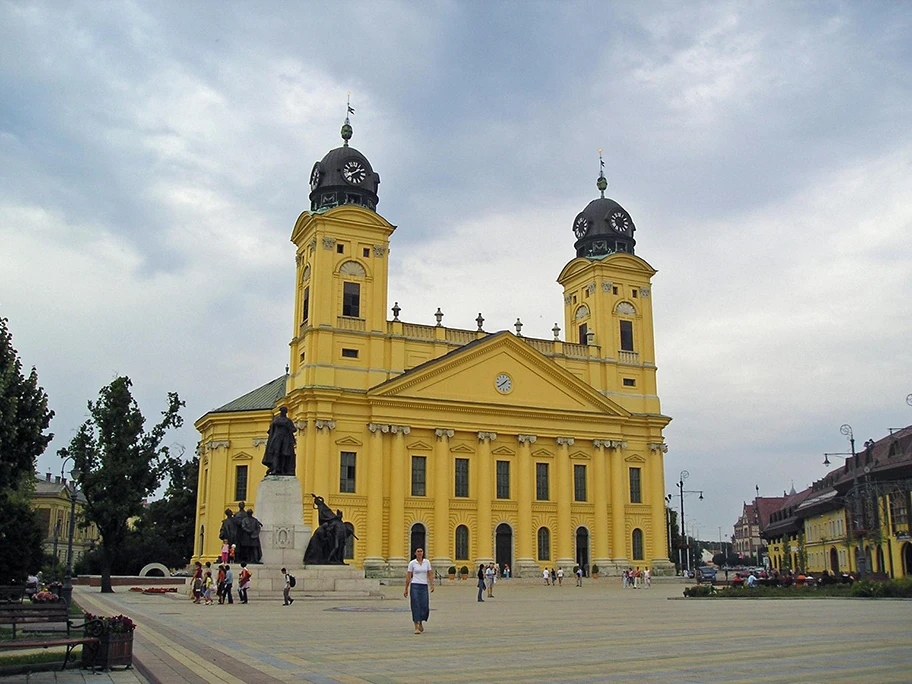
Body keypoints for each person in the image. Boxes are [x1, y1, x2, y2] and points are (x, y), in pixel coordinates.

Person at [404, 548, 433, 634]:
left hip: (424, 586)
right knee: (415, 605)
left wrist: (432, 584)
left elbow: (430, 574)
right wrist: (406, 588)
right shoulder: (412, 563)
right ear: (415, 553)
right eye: (418, 551)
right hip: (415, 585)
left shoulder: (427, 562)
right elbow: (408, 576)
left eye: (421, 551)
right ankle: (416, 625)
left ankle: (420, 621)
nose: (420, 553)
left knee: (424, 605)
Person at [263, 406, 297, 476]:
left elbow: (294, 429)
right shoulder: (276, 419)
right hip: (277, 438)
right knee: (276, 453)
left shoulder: (288, 421)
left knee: (285, 454)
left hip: (285, 439)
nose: (283, 412)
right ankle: (275, 469)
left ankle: (283, 469)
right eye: (282, 411)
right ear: (280, 411)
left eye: (284, 411)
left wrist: (287, 426)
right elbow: (273, 426)